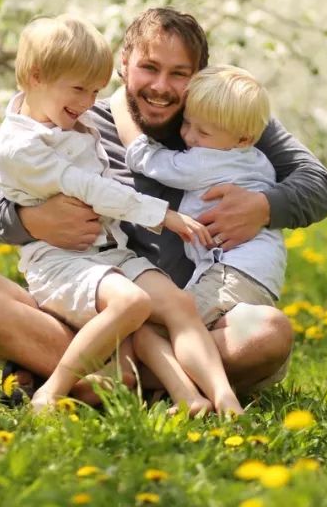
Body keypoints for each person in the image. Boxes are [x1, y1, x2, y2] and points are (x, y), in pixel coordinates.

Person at [0, 7, 327, 403]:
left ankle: (96, 381)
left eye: (179, 73)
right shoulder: (80, 118)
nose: (161, 86)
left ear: (199, 77)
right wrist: (30, 220)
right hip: (90, 306)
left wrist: (264, 206)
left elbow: (322, 185)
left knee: (268, 332)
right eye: (149, 67)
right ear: (124, 64)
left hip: (189, 321)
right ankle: (146, 385)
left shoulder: (228, 116)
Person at [0, 14, 242, 414]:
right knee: (132, 305)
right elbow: (90, 187)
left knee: (178, 305)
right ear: (36, 76)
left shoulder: (67, 112)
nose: (89, 103)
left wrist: (264, 204)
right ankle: (52, 390)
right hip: (63, 262)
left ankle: (212, 399)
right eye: (79, 89)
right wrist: (164, 216)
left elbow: (317, 182)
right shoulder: (22, 146)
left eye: (95, 91)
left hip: (111, 254)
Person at [111, 64, 288, 411]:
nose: (189, 137)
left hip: (229, 273)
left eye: (202, 132)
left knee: (163, 326)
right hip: (253, 275)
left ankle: (162, 385)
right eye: (187, 123)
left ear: (243, 138)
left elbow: (146, 158)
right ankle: (192, 388)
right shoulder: (254, 160)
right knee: (194, 333)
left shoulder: (208, 162)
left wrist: (120, 105)